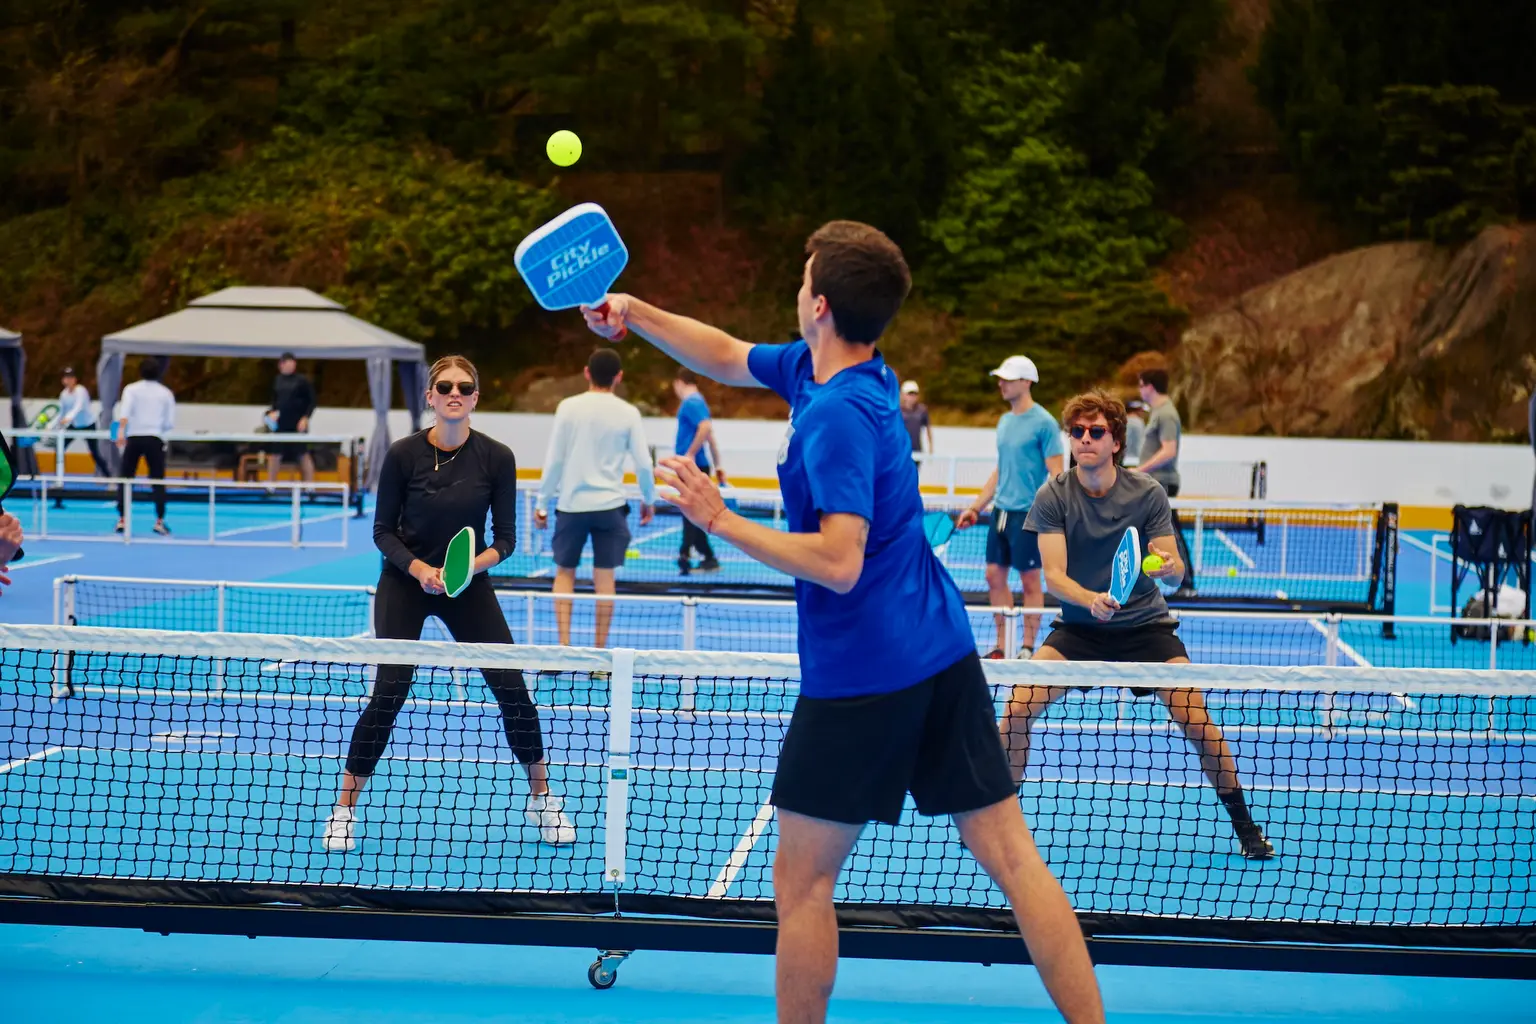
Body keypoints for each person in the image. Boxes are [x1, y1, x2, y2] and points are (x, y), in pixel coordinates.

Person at [582, 221, 1104, 1024]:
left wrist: (719, 517)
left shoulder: (836, 418)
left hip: (865, 675)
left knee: (801, 885)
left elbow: (838, 560)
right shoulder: (834, 373)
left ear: (819, 305)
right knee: (1011, 855)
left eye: (801, 281)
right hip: (941, 647)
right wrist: (634, 311)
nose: (795, 294)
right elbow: (724, 353)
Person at [1001, 390, 1275, 861]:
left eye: (1096, 432)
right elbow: (1054, 576)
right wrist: (1092, 601)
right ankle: (1001, 825)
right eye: (1078, 432)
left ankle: (1245, 826)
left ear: (1115, 442)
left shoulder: (1147, 493)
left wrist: (1167, 567)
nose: (1085, 439)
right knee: (1017, 709)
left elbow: (1174, 569)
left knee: (1197, 721)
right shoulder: (1053, 495)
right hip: (1081, 628)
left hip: (1146, 627)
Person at [322, 355, 575, 852]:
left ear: (476, 398)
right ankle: (344, 809)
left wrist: (463, 572)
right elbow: (381, 531)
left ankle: (544, 801)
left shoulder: (497, 457)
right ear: (431, 397)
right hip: (404, 582)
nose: (454, 392)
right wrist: (420, 571)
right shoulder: (401, 455)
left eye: (464, 386)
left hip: (467, 585)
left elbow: (506, 540)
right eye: (445, 386)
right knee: (389, 692)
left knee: (513, 689)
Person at [536, 349, 657, 648]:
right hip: (610, 508)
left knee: (564, 574)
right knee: (606, 581)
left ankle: (564, 647)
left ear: (586, 373)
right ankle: (600, 655)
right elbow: (644, 463)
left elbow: (555, 460)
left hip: (571, 507)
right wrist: (649, 498)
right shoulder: (629, 413)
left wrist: (541, 503)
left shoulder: (567, 408)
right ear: (619, 377)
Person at [956, 356, 1064, 658]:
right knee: (993, 575)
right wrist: (977, 507)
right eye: (1000, 378)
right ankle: (1003, 645)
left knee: (1030, 580)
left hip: (1028, 515)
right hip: (1000, 513)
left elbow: (1057, 473)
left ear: (1027, 382)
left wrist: (1054, 514)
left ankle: (1027, 647)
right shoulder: (1004, 422)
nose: (1001, 383)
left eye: (1008, 378)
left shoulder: (1044, 423)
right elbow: (1001, 470)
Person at [1135, 368, 1195, 590]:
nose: (1139, 390)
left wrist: (1141, 469)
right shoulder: (1158, 412)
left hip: (1164, 483)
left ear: (1149, 386)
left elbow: (1169, 450)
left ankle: (1187, 583)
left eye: (1141, 385)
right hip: (1154, 483)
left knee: (1171, 532)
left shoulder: (1167, 414)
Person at [672, 367, 724, 575]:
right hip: (697, 464)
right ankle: (697, 555)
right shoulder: (699, 402)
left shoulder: (691, 402)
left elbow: (704, 427)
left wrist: (689, 454)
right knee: (692, 510)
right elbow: (709, 434)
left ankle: (692, 554)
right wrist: (718, 464)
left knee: (690, 511)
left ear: (679, 382)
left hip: (691, 465)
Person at [115, 358, 175, 536]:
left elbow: (124, 412)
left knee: (126, 478)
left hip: (134, 437)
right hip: (155, 438)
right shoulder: (166, 393)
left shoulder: (131, 389)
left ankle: (122, 519)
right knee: (157, 480)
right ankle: (160, 520)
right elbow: (169, 422)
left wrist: (120, 432)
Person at [264, 352, 317, 485]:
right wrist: (271, 413)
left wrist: (305, 418)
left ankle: (309, 488)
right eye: (288, 364)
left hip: (298, 424)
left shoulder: (302, 381)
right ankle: (271, 487)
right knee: (275, 455)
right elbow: (275, 402)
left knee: (303, 455)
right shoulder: (277, 380)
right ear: (281, 365)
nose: (291, 366)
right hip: (281, 425)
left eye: (293, 364)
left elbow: (312, 401)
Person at [56, 367, 110, 477]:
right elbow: (61, 412)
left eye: (71, 378)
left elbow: (78, 406)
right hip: (74, 425)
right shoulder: (64, 394)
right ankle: (59, 480)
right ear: (63, 380)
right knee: (59, 448)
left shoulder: (81, 391)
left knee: (95, 453)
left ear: (75, 379)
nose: (69, 380)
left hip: (89, 425)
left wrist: (68, 418)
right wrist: (53, 425)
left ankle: (109, 478)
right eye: (67, 378)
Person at [899, 380, 933, 460]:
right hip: (900, 451)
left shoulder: (922, 410)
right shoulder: (896, 411)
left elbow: (928, 428)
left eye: (915, 394)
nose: (912, 397)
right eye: (909, 394)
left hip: (917, 450)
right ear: (903, 395)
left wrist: (931, 447)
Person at [1123, 399, 1147, 467]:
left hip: (1123, 460)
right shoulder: (1138, 422)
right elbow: (1141, 443)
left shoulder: (1123, 421)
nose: (1143, 413)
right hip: (1135, 461)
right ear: (1138, 410)